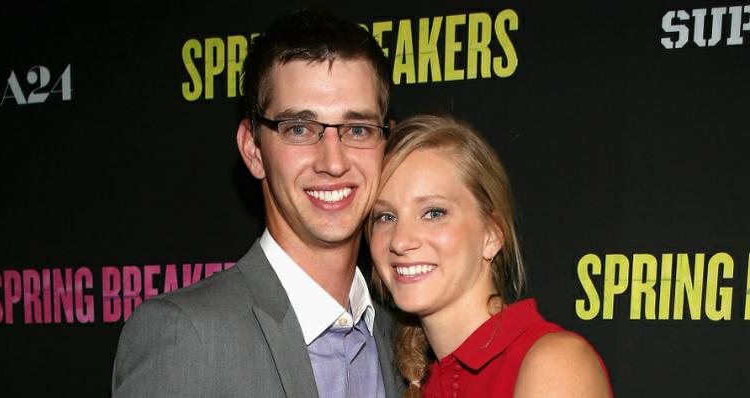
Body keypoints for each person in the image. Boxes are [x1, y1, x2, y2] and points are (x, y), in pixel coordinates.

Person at [112, 8, 404, 397]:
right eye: (299, 128)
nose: (333, 162)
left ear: (386, 144)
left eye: (357, 129)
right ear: (252, 149)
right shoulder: (189, 336)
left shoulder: (403, 338)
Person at [368, 114, 612, 397]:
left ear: (492, 235)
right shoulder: (419, 382)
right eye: (386, 216)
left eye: (434, 213)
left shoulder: (555, 363)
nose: (400, 240)